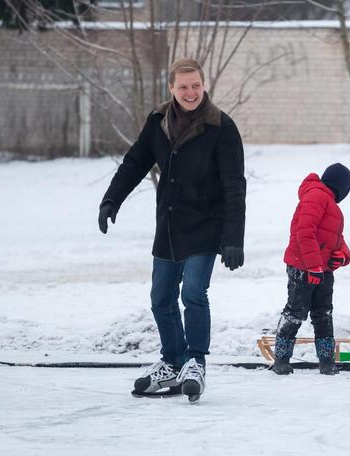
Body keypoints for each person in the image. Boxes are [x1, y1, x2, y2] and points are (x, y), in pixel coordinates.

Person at [98, 58, 246, 403]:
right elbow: (136, 161)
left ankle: (195, 362)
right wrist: (111, 200)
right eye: (183, 87)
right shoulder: (158, 121)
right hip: (168, 225)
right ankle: (172, 361)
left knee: (193, 293)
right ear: (171, 89)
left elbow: (234, 186)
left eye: (195, 85)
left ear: (203, 85)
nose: (190, 92)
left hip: (206, 226)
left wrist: (233, 239)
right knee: (160, 298)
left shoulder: (221, 127)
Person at [271, 163, 350, 376]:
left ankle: (326, 361)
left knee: (323, 313)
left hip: (322, 270)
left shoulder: (331, 205)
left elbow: (337, 240)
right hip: (303, 267)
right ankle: (281, 358)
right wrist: (313, 265)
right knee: (296, 312)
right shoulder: (316, 196)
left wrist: (342, 256)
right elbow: (304, 232)